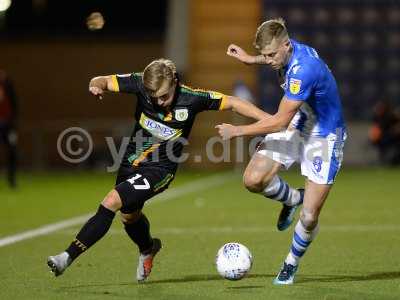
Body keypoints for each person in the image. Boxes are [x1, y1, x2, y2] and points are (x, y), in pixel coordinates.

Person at [47, 58, 269, 282]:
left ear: (174, 82)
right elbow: (103, 79)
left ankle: (66, 257)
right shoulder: (140, 84)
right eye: (154, 97)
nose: (160, 102)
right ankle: (148, 249)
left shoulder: (191, 98)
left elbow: (233, 102)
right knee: (129, 217)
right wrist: (95, 85)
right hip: (130, 163)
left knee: (112, 201)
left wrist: (271, 120)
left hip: (160, 170)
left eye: (164, 96)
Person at [216, 18, 346, 285]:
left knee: (309, 218)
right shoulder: (289, 50)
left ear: (287, 45)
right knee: (253, 179)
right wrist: (251, 60)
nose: (270, 60)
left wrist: (237, 132)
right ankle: (292, 199)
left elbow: (279, 122)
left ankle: (290, 264)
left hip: (324, 136)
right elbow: (275, 57)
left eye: (272, 54)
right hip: (300, 123)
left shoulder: (303, 69)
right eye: (266, 55)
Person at [0, 70, 18, 188]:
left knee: (12, 151)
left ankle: (11, 180)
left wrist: (12, 122)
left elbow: (14, 104)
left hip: (8, 125)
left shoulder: (7, 84)